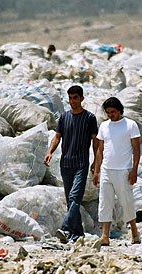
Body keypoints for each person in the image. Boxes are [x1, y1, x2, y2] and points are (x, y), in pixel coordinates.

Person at [44, 85, 98, 244]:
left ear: (82, 99)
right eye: (70, 98)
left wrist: (96, 160)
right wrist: (49, 152)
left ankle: (66, 228)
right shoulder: (64, 117)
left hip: (81, 163)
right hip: (65, 163)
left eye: (76, 98)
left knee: (75, 196)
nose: (73, 101)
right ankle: (78, 234)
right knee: (70, 200)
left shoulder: (89, 118)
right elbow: (57, 137)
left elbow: (95, 141)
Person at [92, 97, 141, 246]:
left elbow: (136, 150)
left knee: (126, 202)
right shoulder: (104, 126)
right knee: (105, 202)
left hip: (123, 170)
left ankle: (134, 231)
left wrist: (134, 170)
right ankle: (105, 235)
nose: (110, 115)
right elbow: (101, 149)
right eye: (108, 113)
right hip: (107, 169)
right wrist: (96, 171)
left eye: (113, 112)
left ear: (119, 110)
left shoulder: (130, 125)